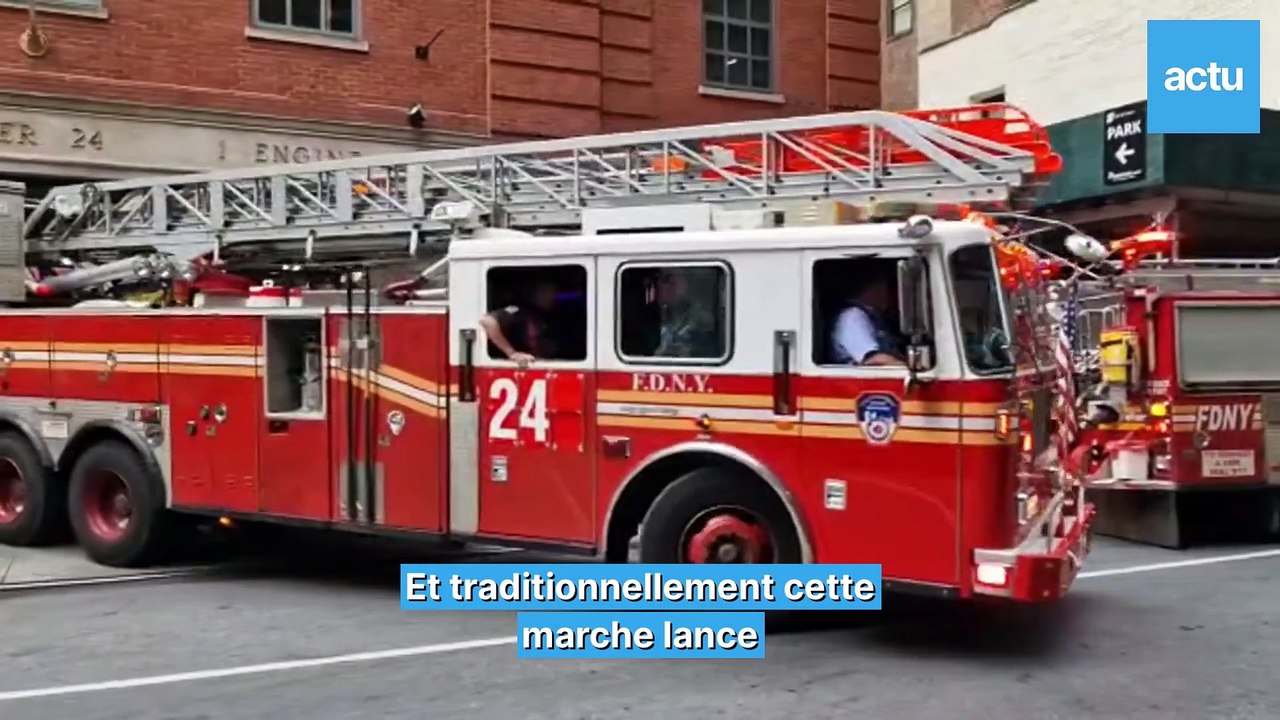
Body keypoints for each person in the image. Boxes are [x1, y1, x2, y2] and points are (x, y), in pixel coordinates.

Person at [829, 270, 906, 366]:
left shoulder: (876, 317)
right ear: (873, 288)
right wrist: (907, 367)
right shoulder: (852, 317)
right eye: (888, 287)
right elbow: (873, 359)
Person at [479, 280, 558, 367]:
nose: (552, 296)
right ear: (533, 294)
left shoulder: (543, 316)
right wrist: (512, 353)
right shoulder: (518, 311)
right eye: (546, 291)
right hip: (515, 366)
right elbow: (487, 321)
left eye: (553, 292)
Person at [652, 270, 720, 358]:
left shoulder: (703, 319)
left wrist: (690, 351)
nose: (664, 287)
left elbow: (710, 351)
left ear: (687, 285)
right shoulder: (652, 316)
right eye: (661, 281)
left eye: (671, 282)